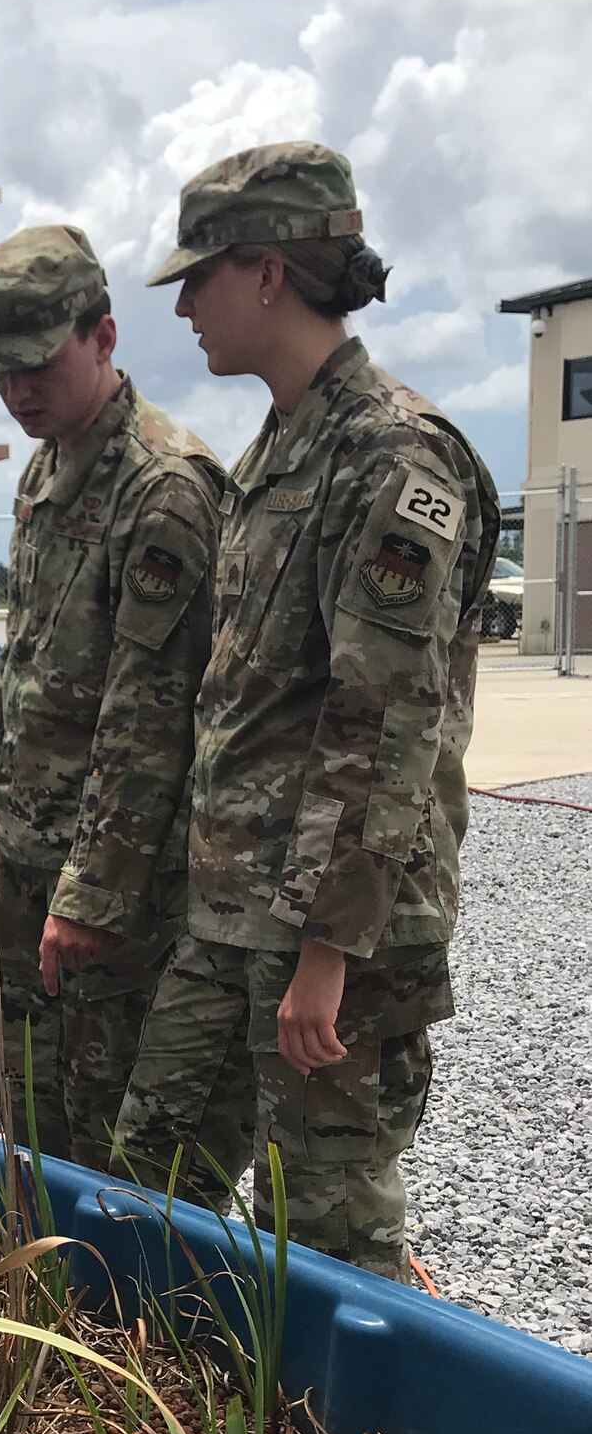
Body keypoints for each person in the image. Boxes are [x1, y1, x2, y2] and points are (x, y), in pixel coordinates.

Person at [115, 141, 499, 1280]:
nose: (182, 304)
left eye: (200, 276)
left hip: (333, 930)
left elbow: (384, 721)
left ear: (269, 271)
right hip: (234, 908)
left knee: (331, 1235)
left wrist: (328, 949)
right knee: (148, 1184)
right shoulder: (280, 446)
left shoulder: (392, 455)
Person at [0, 226, 225, 1165]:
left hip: (115, 883)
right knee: (25, 1099)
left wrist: (95, 893)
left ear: (104, 337)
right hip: (37, 853)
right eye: (0, 374)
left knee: (109, 1121)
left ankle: (122, 1308)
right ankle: (47, 1292)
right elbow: (30, 652)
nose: (18, 393)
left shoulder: (162, 487)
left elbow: (154, 716)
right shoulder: (46, 467)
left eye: (37, 366)